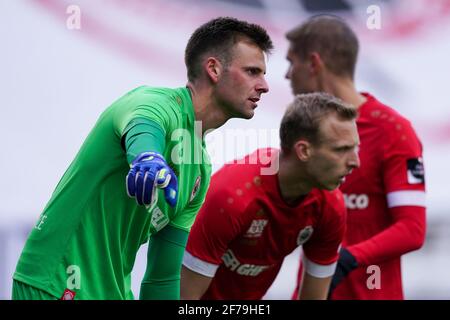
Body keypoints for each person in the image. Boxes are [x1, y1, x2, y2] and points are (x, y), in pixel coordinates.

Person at [12, 17, 273, 300]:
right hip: (55, 283)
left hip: (112, 292)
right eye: (252, 72)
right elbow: (144, 125)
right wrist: (148, 158)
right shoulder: (153, 102)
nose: (264, 86)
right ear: (214, 69)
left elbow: (162, 277)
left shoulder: (200, 170)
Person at [286, 15, 426, 300]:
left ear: (314, 64)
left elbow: (412, 229)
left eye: (292, 62)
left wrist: (347, 260)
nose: (287, 74)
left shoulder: (392, 130)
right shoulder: (302, 131)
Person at [180, 92, 360, 300]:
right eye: (342, 150)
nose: (355, 162)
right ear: (303, 151)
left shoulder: (330, 205)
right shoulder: (232, 197)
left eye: (355, 148)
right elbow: (184, 300)